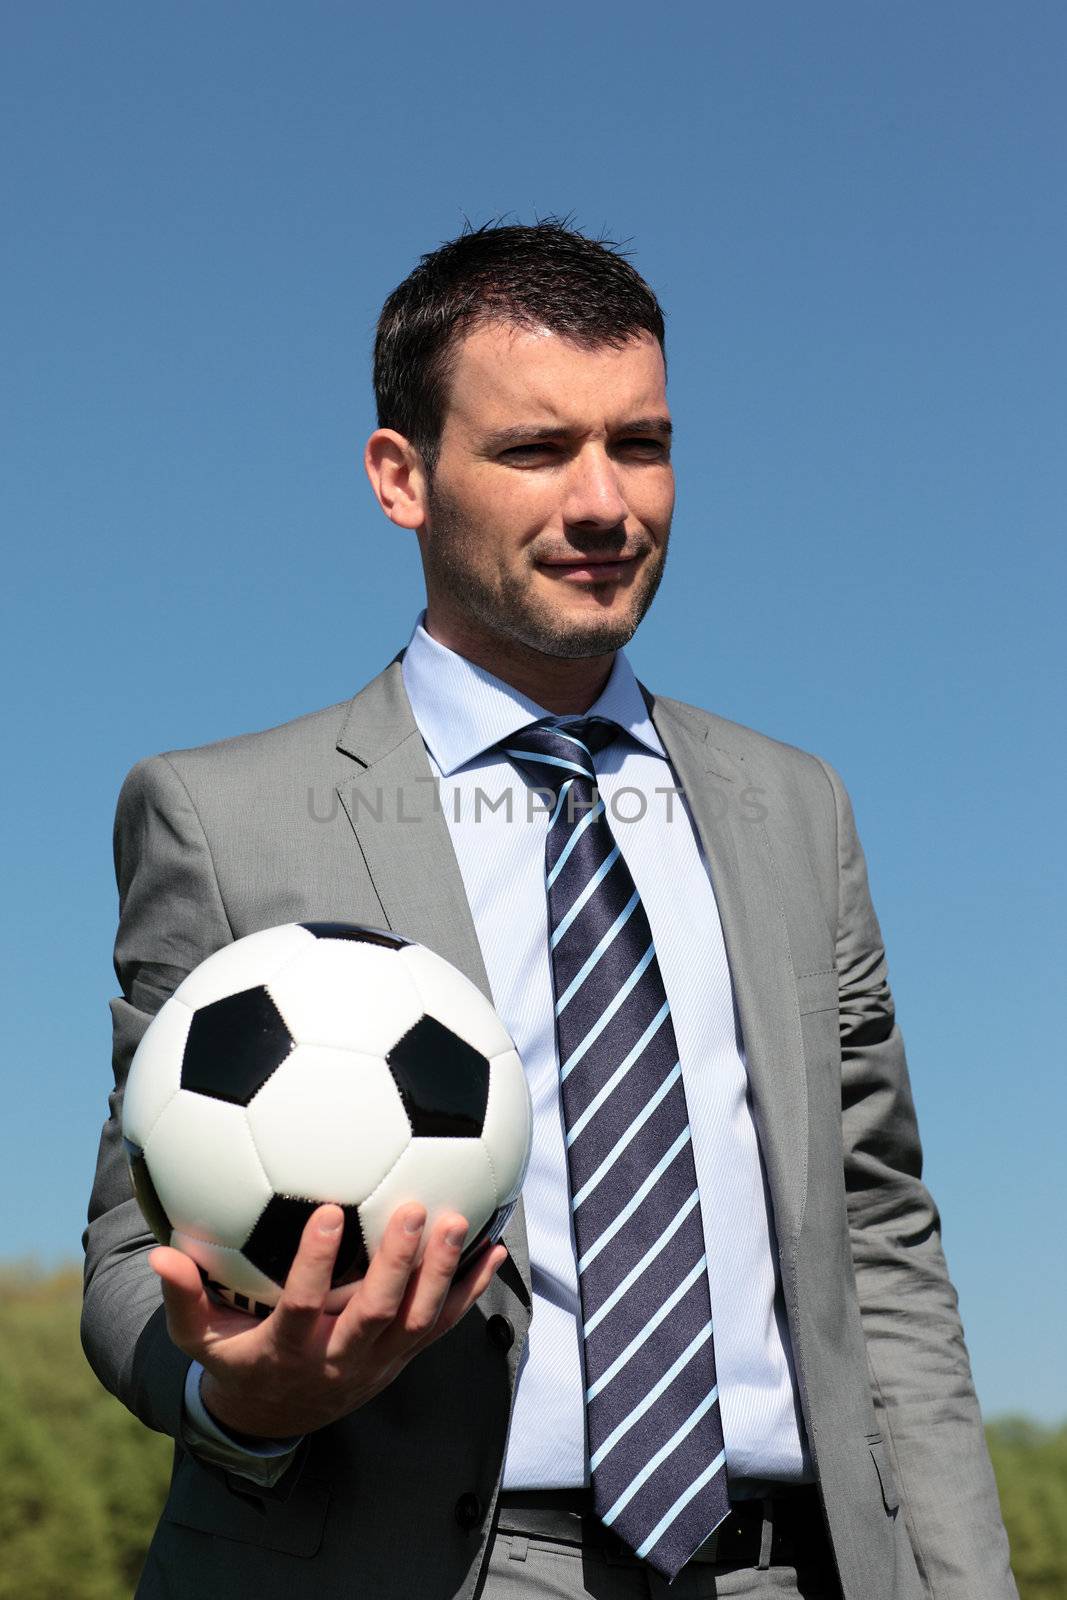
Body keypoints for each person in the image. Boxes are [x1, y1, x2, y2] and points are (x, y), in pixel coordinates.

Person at [82, 221, 1017, 1600]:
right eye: (535, 450)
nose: (605, 503)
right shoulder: (222, 817)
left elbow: (880, 1247)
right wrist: (245, 1401)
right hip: (421, 1566)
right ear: (402, 477)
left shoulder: (796, 809)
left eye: (639, 444)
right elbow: (126, 1255)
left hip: (785, 1568)